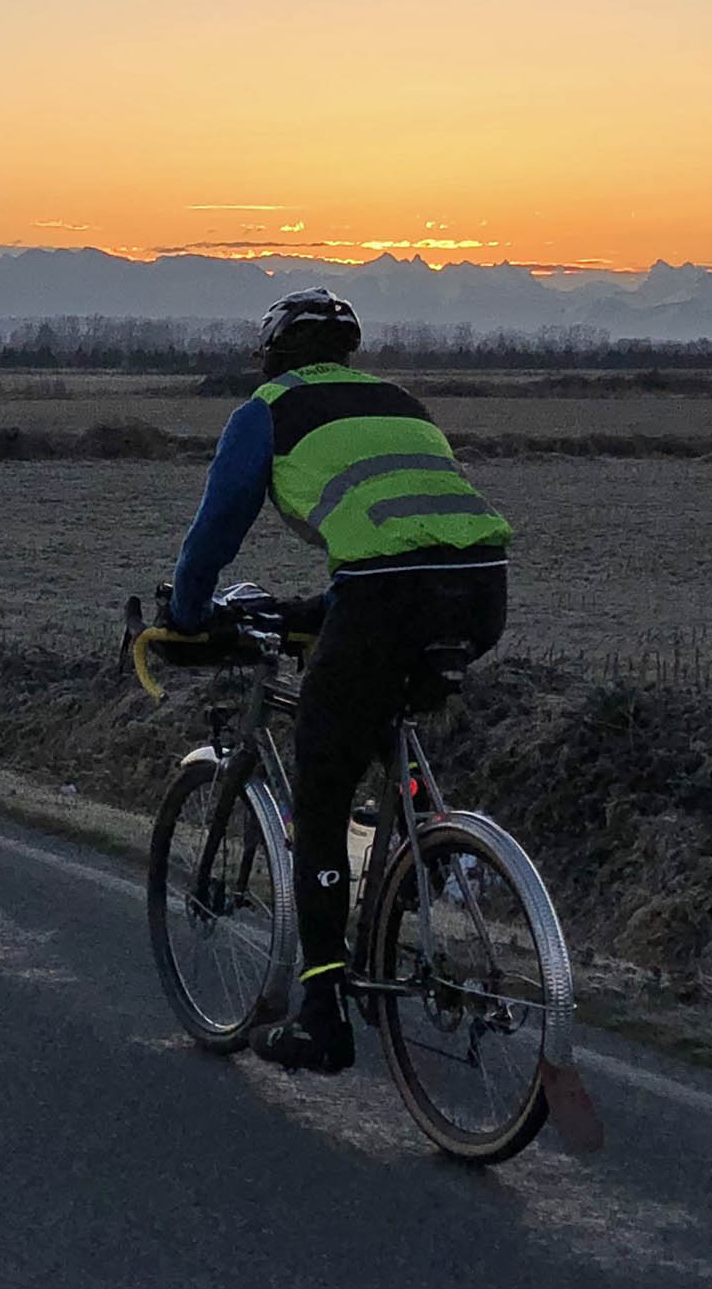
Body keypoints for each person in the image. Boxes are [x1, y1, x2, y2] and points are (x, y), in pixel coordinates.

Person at [164, 288, 510, 1072]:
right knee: (379, 709)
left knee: (319, 780)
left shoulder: (267, 410)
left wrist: (188, 613)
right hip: (482, 588)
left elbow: (215, 529)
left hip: (388, 594)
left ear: (274, 356)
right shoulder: (402, 404)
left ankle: (322, 1012)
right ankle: (419, 860)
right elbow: (407, 528)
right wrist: (319, 608)